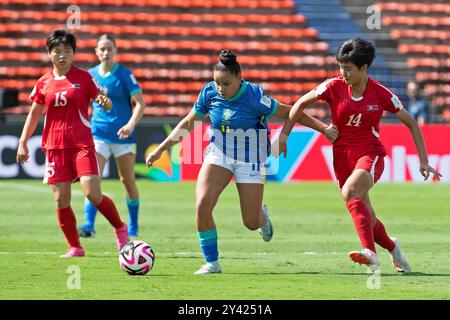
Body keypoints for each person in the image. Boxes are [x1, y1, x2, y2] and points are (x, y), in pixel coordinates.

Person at [145, 49, 338, 274]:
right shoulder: (209, 93)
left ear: (239, 77)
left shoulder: (255, 97)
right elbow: (189, 122)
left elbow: (292, 112)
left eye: (226, 83)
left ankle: (262, 216)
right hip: (219, 153)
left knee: (251, 223)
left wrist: (324, 129)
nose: (220, 89)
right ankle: (212, 263)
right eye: (217, 83)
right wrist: (161, 149)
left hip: (251, 159)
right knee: (202, 204)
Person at [274, 38, 441, 273]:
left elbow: (412, 123)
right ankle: (395, 250)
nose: (343, 73)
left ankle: (369, 253)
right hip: (342, 157)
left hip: (370, 154)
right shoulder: (332, 87)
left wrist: (423, 160)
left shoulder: (381, 94)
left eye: (348, 68)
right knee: (367, 218)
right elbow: (299, 104)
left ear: (363, 68)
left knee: (351, 191)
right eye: (341, 67)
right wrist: (284, 137)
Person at [16, 29, 130, 258]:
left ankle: (120, 228)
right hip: (55, 147)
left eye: (67, 51)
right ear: (49, 54)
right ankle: (76, 247)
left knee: (92, 193)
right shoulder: (43, 82)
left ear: (73, 53)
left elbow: (102, 102)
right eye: (57, 51)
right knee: (61, 199)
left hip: (81, 145)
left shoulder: (84, 78)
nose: (62, 55)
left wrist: (106, 104)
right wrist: (23, 142)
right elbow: (34, 114)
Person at [78, 34, 145, 238]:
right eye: (102, 49)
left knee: (127, 181)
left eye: (110, 49)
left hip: (123, 137)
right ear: (96, 52)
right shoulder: (89, 76)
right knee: (92, 179)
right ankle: (89, 225)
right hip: (98, 135)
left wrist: (130, 124)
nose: (106, 53)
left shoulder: (124, 74)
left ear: (115, 51)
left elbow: (140, 103)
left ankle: (133, 224)